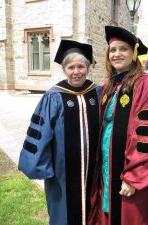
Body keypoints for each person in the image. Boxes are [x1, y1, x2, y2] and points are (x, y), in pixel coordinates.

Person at [89, 26, 148, 225]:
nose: (117, 54)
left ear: (134, 54)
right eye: (112, 50)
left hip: (133, 174)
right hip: (107, 166)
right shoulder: (108, 87)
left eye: (123, 49)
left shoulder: (147, 84)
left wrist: (134, 176)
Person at [18, 40, 100, 225]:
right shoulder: (54, 96)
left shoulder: (97, 93)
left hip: (94, 171)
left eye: (81, 66)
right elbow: (40, 134)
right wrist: (40, 164)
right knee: (63, 212)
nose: (76, 71)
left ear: (88, 68)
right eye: (71, 67)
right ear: (64, 70)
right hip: (62, 170)